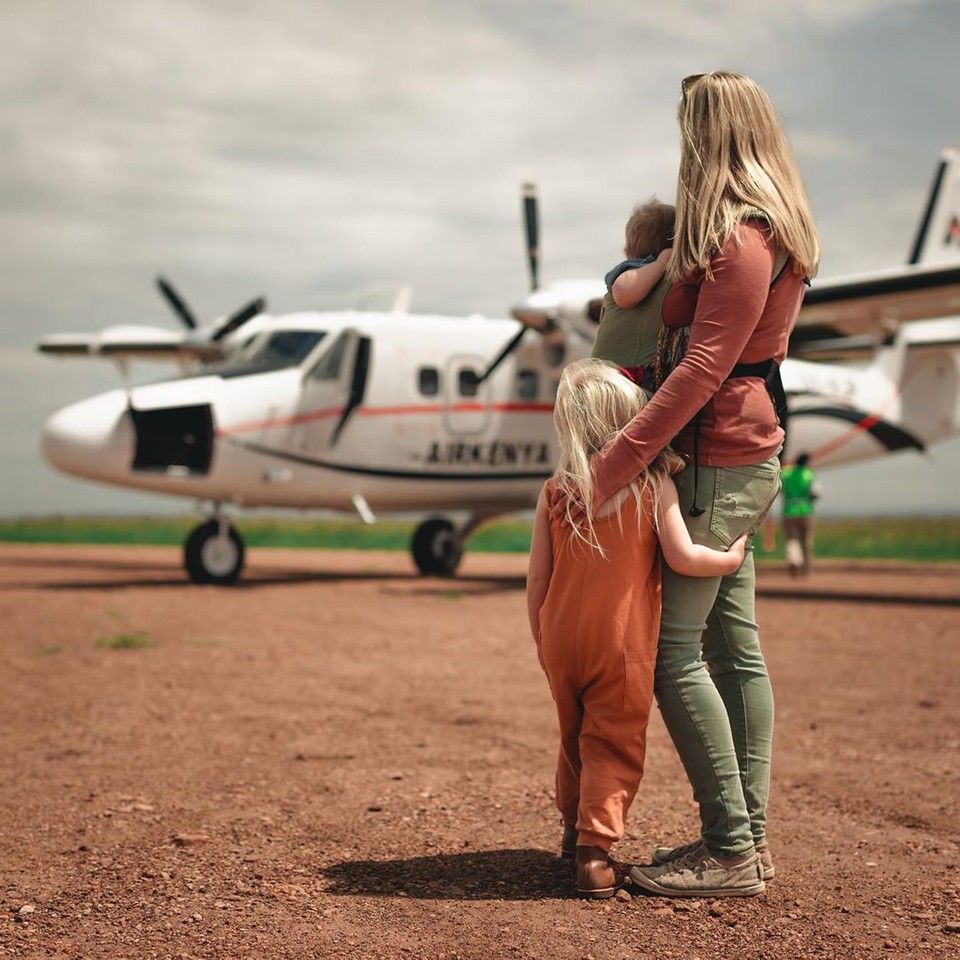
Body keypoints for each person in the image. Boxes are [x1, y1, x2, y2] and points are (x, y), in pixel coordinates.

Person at [557, 72, 820, 897]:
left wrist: (609, 465)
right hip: (729, 453)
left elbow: (702, 368)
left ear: (711, 133)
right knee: (733, 650)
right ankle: (746, 845)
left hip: (717, 456)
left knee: (675, 657)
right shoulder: (757, 231)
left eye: (689, 127)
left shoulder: (742, 239)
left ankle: (731, 849)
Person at [526, 358, 747, 899]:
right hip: (622, 643)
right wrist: (731, 557)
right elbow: (684, 557)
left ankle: (571, 827)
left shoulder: (557, 491)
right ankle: (593, 853)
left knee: (573, 735)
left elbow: (537, 578)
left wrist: (542, 637)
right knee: (612, 740)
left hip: (560, 638)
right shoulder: (652, 485)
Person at [591, 199, 675, 387]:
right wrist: (661, 263)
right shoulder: (632, 269)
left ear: (628, 250)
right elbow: (623, 292)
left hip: (632, 377)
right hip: (617, 378)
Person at [781, 453, 820, 575]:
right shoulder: (809, 474)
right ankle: (807, 567)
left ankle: (794, 561)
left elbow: (780, 488)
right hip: (805, 511)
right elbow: (815, 492)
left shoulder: (786, 473)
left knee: (792, 539)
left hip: (789, 511)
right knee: (806, 540)